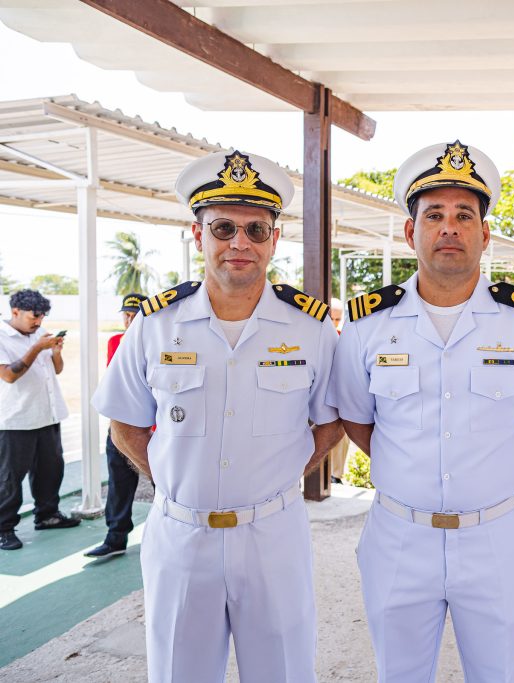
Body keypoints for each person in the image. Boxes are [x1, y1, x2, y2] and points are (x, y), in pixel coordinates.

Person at [329, 140, 514, 680]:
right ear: (410, 231)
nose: (449, 227)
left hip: (495, 534)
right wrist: (409, 469)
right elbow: (356, 417)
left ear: (485, 234)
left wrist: (489, 468)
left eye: (464, 215)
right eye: (434, 215)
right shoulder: (369, 324)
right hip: (399, 534)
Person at [92, 150, 343, 682]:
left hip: (274, 535)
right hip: (181, 536)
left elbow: (330, 422)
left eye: (256, 229)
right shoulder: (155, 326)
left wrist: (281, 474)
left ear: (275, 239)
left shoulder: (310, 329)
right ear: (197, 233)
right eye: (223, 226)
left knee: (282, 672)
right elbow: (125, 424)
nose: (240, 242)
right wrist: (172, 481)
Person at [0, 289, 80, 551]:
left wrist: (55, 351)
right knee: (10, 478)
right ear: (15, 312)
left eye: (43, 316)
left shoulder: (40, 335)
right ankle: (4, 528)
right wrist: (36, 348)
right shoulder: (2, 336)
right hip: (16, 419)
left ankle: (47, 515)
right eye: (34, 316)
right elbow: (9, 375)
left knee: (50, 470)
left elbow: (56, 369)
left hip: (47, 414)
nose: (39, 321)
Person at [85, 292, 145, 559]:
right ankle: (115, 538)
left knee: (165, 484)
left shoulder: (160, 339)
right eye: (126, 315)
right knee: (119, 483)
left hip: (158, 428)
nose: (130, 321)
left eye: (135, 315)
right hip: (123, 426)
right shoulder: (117, 342)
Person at [328, 296, 352, 484]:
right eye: (331, 318)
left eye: (338, 319)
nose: (334, 322)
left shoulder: (345, 337)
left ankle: (336, 475)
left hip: (339, 397)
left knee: (341, 436)